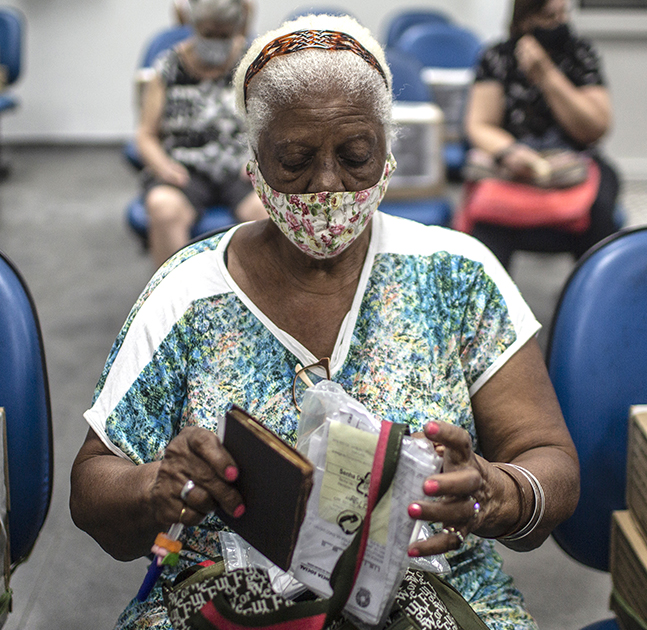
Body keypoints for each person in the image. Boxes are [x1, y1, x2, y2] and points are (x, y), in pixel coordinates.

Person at [71, 13, 579, 630]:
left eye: (357, 156)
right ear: (252, 163)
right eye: (295, 160)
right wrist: (155, 486)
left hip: (432, 595)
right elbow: (93, 486)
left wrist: (498, 493)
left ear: (388, 154)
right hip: (229, 596)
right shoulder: (189, 293)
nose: (328, 185)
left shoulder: (459, 277)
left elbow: (548, 458)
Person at [463, 0, 620, 267]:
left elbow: (595, 127)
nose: (559, 24)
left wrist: (547, 75)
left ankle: (591, 294)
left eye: (563, 15)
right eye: (549, 17)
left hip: (574, 160)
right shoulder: (497, 57)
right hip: (514, 161)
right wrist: (508, 152)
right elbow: (479, 124)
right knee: (486, 225)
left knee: (601, 213)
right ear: (525, 19)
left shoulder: (580, 54)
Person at [137, 0, 267, 266]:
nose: (216, 41)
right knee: (163, 207)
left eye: (224, 35)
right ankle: (173, 299)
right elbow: (145, 134)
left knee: (268, 211)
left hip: (239, 167)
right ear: (194, 27)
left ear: (236, 29)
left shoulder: (251, 63)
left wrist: (260, 159)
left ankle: (256, 297)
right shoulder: (168, 66)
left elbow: (272, 125)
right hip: (184, 169)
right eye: (209, 34)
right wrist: (163, 167)